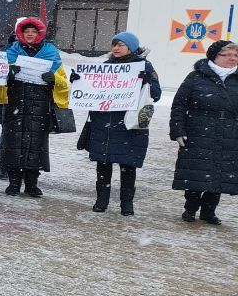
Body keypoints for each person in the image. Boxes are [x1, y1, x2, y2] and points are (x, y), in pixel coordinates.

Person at [79, 31, 161, 215]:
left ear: (131, 47)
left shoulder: (144, 66)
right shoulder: (105, 67)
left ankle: (127, 203)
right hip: (104, 123)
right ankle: (101, 200)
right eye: (114, 44)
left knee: (128, 165)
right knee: (103, 164)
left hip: (129, 125)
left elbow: (156, 95)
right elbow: (90, 92)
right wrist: (79, 82)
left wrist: (147, 82)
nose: (115, 48)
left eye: (120, 44)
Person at [0, 18, 70, 198]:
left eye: (33, 31)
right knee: (14, 144)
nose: (30, 34)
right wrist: (8, 75)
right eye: (27, 31)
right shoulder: (11, 52)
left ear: (40, 33)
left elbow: (63, 82)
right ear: (21, 33)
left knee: (35, 145)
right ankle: (13, 183)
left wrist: (54, 80)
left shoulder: (51, 53)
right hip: (16, 104)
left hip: (40, 107)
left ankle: (31, 184)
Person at [170, 39, 238, 225]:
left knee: (220, 173)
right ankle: (190, 209)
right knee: (196, 172)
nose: (232, 58)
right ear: (214, 57)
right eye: (227, 55)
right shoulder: (196, 77)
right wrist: (177, 129)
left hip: (229, 133)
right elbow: (179, 105)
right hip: (198, 130)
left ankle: (209, 211)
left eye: (235, 55)